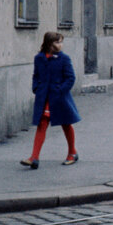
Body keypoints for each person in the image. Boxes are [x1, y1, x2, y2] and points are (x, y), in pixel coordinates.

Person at [20, 31, 80, 169]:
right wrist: (36, 88)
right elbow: (35, 75)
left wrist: (60, 91)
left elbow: (71, 78)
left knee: (66, 124)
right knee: (42, 124)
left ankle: (72, 152)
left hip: (59, 97)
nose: (60, 45)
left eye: (61, 42)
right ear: (49, 44)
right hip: (44, 97)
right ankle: (34, 157)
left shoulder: (64, 58)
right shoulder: (39, 58)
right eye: (57, 42)